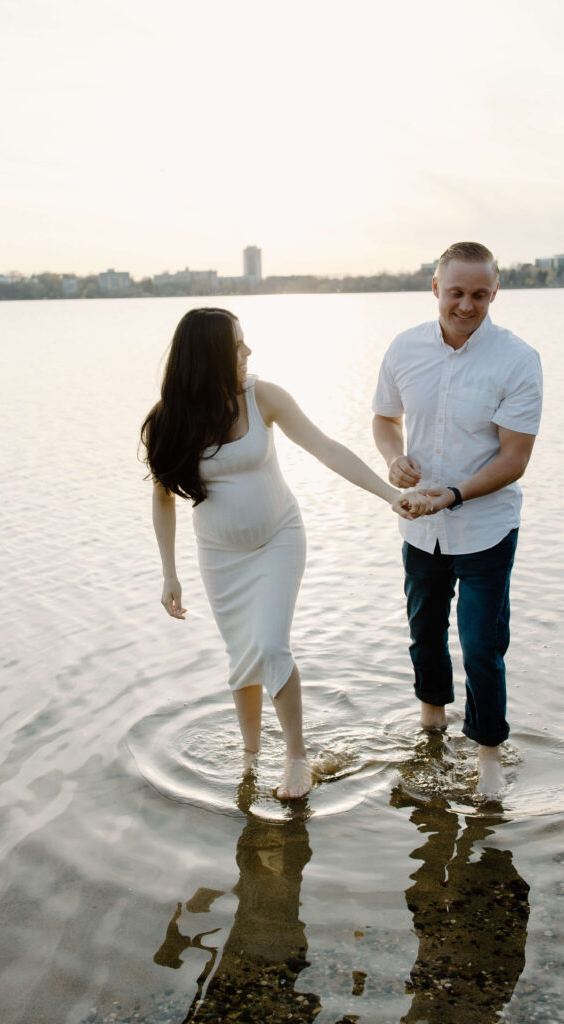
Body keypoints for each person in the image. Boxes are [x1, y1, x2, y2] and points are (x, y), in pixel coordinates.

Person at [141, 308, 429, 801]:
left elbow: (325, 448)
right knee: (241, 657)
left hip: (279, 538)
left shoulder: (263, 397)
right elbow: (163, 496)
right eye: (237, 345)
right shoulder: (168, 420)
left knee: (271, 646)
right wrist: (169, 573)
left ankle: (297, 758)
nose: (248, 353)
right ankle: (251, 757)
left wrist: (389, 496)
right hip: (218, 555)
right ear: (209, 356)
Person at [372, 242, 543, 799]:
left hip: (486, 528)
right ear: (435, 289)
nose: (466, 305)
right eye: (456, 293)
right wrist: (393, 457)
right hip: (420, 527)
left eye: (479, 294)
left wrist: (454, 494)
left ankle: (489, 759)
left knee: (481, 644)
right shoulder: (404, 347)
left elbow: (514, 459)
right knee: (424, 635)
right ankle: (431, 727)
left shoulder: (517, 359)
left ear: (494, 292)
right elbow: (383, 419)